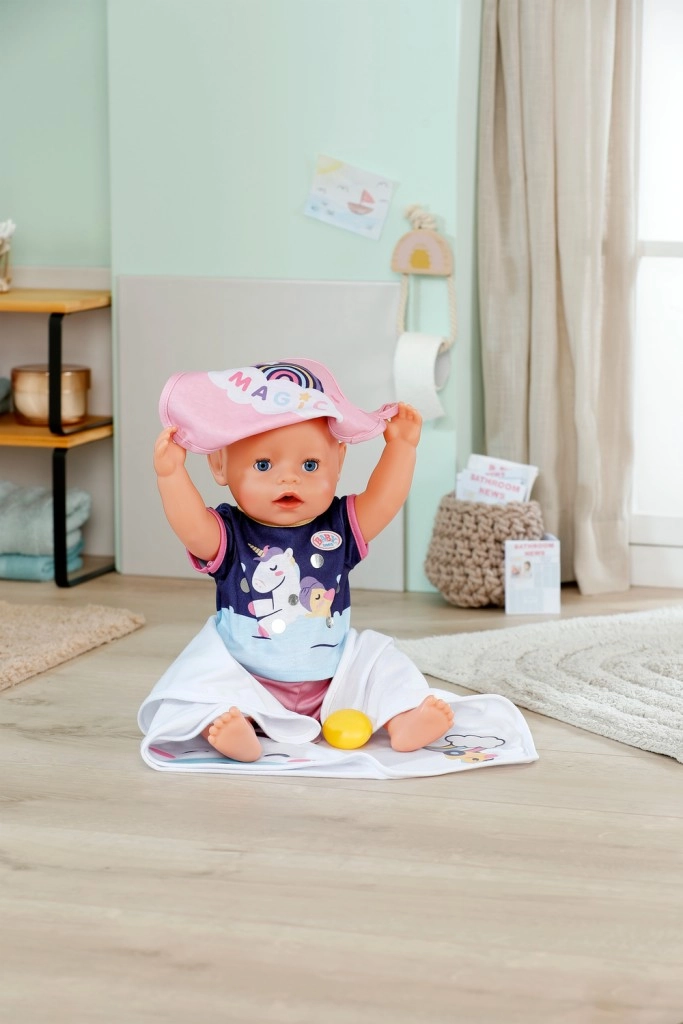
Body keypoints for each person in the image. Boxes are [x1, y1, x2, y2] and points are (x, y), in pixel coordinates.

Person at [147, 358, 454, 762]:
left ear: (338, 462)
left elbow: (384, 500)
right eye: (263, 465)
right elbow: (192, 529)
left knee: (381, 659)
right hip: (248, 679)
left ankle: (403, 717)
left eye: (310, 465)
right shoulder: (230, 533)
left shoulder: (339, 526)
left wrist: (401, 449)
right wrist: (172, 476)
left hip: (333, 680)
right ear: (220, 465)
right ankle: (231, 725)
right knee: (198, 680)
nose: (289, 478)